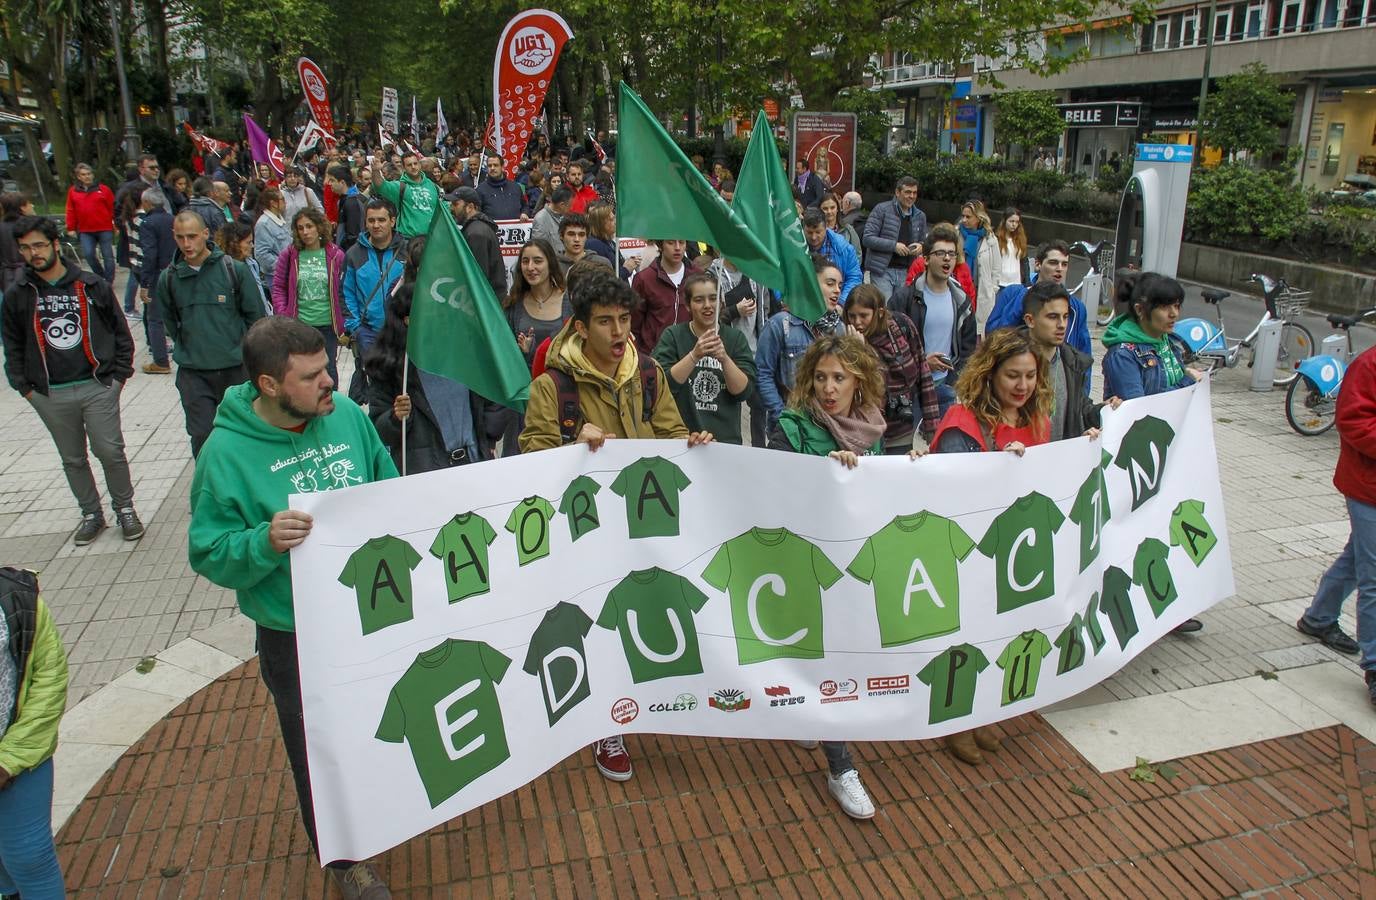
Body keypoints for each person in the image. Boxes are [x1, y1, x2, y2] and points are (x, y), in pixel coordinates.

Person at [187, 316, 397, 899]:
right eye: (312, 376)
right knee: (317, 753)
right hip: (294, 635)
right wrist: (261, 541)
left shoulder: (348, 416)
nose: (332, 381)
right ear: (269, 385)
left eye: (328, 367)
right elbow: (206, 551)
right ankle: (345, 862)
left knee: (380, 727)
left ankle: (388, 813)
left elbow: (386, 480)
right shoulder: (224, 454)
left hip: (372, 613)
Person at [518, 267, 712, 783]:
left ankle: (647, 697)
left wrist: (690, 444)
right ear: (579, 327)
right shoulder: (551, 388)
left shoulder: (647, 373)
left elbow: (669, 433)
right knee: (598, 622)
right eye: (605, 321)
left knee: (645, 611)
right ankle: (608, 723)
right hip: (588, 533)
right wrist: (568, 444)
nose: (619, 331)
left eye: (625, 319)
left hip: (644, 526)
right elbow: (530, 459)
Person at [765, 334, 885, 819]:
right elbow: (777, 492)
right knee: (828, 657)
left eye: (839, 378)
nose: (829, 388)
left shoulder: (871, 428)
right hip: (809, 563)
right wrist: (823, 474)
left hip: (853, 563)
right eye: (820, 377)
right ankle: (841, 768)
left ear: (859, 383)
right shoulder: (792, 428)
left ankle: (808, 712)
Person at [928, 328, 1054, 765]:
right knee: (966, 638)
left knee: (1003, 632)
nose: (1022, 387)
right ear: (989, 375)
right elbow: (949, 492)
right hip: (973, 551)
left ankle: (983, 712)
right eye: (1012, 377)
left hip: (1015, 551)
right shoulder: (963, 424)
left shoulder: (1036, 418)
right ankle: (956, 720)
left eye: (1030, 376)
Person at [2, 215, 143, 544]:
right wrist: (25, 388)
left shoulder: (91, 284)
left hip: (97, 385)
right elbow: (12, 344)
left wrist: (119, 377)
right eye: (24, 248)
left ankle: (125, 508)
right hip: (49, 392)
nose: (32, 253)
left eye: (38, 245)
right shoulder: (18, 294)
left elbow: (120, 332)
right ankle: (91, 513)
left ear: (54, 244)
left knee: (109, 450)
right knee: (72, 457)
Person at [1101, 272, 1205, 635]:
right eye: (1165, 307)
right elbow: (1140, 406)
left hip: (1169, 454)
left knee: (1165, 529)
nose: (1174, 314)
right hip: (1136, 459)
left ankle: (1168, 607)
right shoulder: (1123, 354)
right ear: (1142, 309)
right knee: (1133, 534)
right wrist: (1187, 382)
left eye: (1177, 306)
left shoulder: (1171, 345)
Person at [1295, 340, 1376, 705]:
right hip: (1368, 487)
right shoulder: (1369, 366)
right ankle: (1374, 667)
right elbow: (1353, 422)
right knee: (1373, 574)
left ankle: (1319, 617)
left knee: (1358, 558)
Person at [156, 210, 266, 457]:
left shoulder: (233, 270)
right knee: (203, 436)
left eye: (192, 236)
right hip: (195, 373)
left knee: (246, 432)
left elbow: (256, 320)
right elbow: (171, 324)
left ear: (205, 234)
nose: (187, 244)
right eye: (180, 237)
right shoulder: (169, 279)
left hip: (236, 368)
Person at [365, 271, 495, 472]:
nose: (438, 317)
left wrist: (488, 435)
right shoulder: (390, 369)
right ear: (407, 320)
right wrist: (395, 417)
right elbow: (379, 431)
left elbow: (491, 401)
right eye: (429, 311)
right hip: (426, 476)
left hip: (473, 464)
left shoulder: (462, 355)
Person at [0, 566, 70, 900]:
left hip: (20, 760)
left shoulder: (16, 597)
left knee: (30, 857)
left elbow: (49, 676)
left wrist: (8, 760)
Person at [652, 271, 756, 445]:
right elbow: (663, 385)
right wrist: (694, 355)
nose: (707, 305)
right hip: (682, 440)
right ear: (688, 305)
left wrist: (724, 359)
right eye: (699, 300)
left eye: (713, 298)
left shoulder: (735, 339)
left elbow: (744, 392)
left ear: (721, 303)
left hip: (725, 442)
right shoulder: (673, 335)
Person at [887, 223, 977, 419]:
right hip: (911, 389)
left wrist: (956, 378)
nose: (947, 258)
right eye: (941, 253)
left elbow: (968, 348)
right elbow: (888, 345)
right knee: (911, 448)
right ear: (926, 259)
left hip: (945, 387)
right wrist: (922, 364)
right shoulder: (904, 299)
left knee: (942, 446)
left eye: (952, 254)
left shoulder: (961, 301)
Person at [756, 255, 848, 431]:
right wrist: (781, 416)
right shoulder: (780, 325)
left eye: (839, 286)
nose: (837, 290)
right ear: (811, 285)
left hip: (829, 428)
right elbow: (763, 375)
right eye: (830, 284)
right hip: (791, 426)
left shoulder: (840, 329)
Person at [844, 284, 938, 453]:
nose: (857, 322)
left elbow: (923, 373)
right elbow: (870, 389)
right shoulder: (847, 341)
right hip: (867, 432)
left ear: (879, 313)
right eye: (852, 316)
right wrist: (859, 352)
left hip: (902, 428)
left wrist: (931, 423)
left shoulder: (902, 326)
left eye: (863, 316)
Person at [1021, 280, 1116, 442]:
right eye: (1053, 317)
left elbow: (1080, 410)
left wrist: (1104, 410)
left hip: (1062, 460)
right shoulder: (1009, 362)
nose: (1062, 325)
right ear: (1030, 320)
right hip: (1020, 459)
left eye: (1065, 317)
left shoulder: (1073, 362)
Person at [341, 198, 407, 405]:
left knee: (402, 386)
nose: (376, 225)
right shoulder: (353, 254)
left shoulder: (407, 251)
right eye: (371, 220)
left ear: (393, 221)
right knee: (376, 391)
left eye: (381, 220)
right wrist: (355, 328)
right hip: (369, 333)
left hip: (401, 333)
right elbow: (346, 294)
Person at [272, 207, 346, 386]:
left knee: (328, 370)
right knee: (301, 370)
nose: (305, 232)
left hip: (328, 325)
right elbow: (278, 287)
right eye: (300, 228)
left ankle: (330, 409)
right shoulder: (289, 255)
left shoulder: (336, 255)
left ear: (319, 227)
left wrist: (345, 321)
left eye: (309, 226)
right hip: (300, 325)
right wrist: (283, 313)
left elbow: (344, 290)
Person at [984, 240, 1091, 359]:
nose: (1059, 269)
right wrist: (1025, 298)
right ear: (1038, 264)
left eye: (1064, 264)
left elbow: (1084, 354)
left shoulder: (1076, 307)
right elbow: (993, 335)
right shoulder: (1012, 293)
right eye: (1053, 263)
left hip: (1059, 372)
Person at [863, 176, 927, 300]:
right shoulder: (881, 210)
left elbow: (924, 241)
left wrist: (922, 246)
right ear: (897, 192)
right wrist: (894, 246)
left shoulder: (920, 216)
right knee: (884, 312)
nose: (912, 196)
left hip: (907, 272)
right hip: (883, 271)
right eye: (908, 192)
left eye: (914, 193)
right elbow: (867, 238)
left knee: (900, 313)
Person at [136, 187, 175, 374]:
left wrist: (145, 284)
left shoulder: (148, 224)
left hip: (158, 274)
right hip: (176, 271)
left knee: (155, 319)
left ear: (147, 204)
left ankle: (160, 360)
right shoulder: (172, 220)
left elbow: (149, 255)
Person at [445, 187, 506, 299]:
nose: (451, 208)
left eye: (455, 204)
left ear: (470, 207)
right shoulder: (476, 229)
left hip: (486, 302)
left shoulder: (476, 233)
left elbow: (478, 275)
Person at [631, 239, 690, 353]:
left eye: (681, 242)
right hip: (653, 356)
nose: (677, 247)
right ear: (660, 245)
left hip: (689, 355)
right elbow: (634, 324)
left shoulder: (696, 276)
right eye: (671, 242)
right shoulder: (644, 279)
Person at [66, 163, 117, 285]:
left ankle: (109, 281)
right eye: (83, 175)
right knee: (89, 254)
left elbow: (113, 208)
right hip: (85, 229)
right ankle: (100, 276)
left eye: (89, 174)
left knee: (107, 255)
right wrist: (71, 227)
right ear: (78, 177)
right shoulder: (73, 191)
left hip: (104, 227)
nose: (87, 177)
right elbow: (70, 210)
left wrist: (115, 224)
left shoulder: (103, 189)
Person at [371, 150, 441, 239]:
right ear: (403, 168)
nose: (413, 167)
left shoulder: (432, 185)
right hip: (409, 240)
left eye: (415, 163)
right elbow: (380, 186)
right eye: (409, 165)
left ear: (420, 165)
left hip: (433, 238)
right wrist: (376, 171)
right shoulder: (399, 186)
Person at [977, 207, 1030, 323]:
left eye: (1017, 222)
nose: (1014, 225)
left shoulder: (1020, 239)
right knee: (997, 314)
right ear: (1005, 221)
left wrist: (1027, 282)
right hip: (1000, 283)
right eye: (1011, 221)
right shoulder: (996, 239)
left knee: (1013, 315)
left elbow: (1024, 262)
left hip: (1016, 283)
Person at [801, 208, 862, 304]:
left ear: (826, 228)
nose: (813, 237)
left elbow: (854, 278)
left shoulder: (844, 249)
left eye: (818, 232)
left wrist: (841, 303)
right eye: (809, 232)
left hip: (837, 303)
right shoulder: (794, 247)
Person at [116, 183, 146, 317]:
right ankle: (129, 307)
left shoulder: (129, 217)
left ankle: (129, 306)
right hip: (142, 260)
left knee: (134, 279)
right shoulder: (142, 220)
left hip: (134, 259)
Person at [253, 187, 292, 285]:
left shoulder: (279, 218)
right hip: (276, 276)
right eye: (282, 199)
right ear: (273, 203)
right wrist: (284, 264)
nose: (285, 202)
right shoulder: (263, 224)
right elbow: (262, 254)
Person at [326, 165, 366, 251]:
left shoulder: (352, 202)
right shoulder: (343, 200)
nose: (329, 184)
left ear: (342, 183)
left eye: (332, 180)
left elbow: (353, 235)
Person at [476, 156, 526, 221]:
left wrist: (524, 213)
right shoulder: (480, 190)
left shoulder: (516, 187)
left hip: (516, 229)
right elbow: (477, 214)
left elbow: (525, 206)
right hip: (491, 230)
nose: (492, 168)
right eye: (489, 166)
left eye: (496, 165)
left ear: (502, 167)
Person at [0, 192, 31, 294]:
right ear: (22, 207)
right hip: (30, 273)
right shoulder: (30, 226)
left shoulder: (2, 227)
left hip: (6, 276)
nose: (31, 206)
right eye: (28, 203)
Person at [958, 200, 991, 288]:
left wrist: (993, 288)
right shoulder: (956, 233)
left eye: (968, 217)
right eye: (963, 216)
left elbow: (996, 268)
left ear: (978, 218)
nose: (964, 220)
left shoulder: (990, 238)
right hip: (960, 285)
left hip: (981, 288)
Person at [821, 192, 861, 259]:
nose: (829, 211)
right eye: (825, 208)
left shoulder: (848, 229)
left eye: (832, 207)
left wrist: (850, 268)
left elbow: (857, 254)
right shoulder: (815, 230)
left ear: (837, 209)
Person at [531, 186, 570, 256]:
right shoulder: (541, 219)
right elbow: (539, 248)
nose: (571, 208)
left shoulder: (564, 216)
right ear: (562, 205)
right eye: (570, 206)